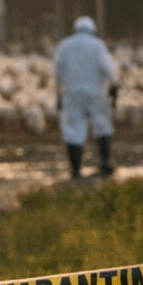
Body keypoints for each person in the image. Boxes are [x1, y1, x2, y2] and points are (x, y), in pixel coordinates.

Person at [54, 14, 119, 178]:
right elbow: (110, 70)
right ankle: (105, 163)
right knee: (102, 125)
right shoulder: (98, 45)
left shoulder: (65, 45)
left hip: (72, 93)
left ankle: (75, 169)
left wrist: (59, 95)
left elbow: (57, 71)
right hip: (95, 92)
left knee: (72, 128)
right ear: (93, 30)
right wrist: (114, 90)